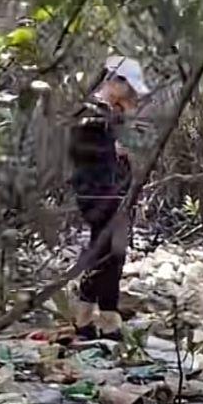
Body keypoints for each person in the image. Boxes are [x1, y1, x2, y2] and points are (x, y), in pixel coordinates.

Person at [69, 55, 149, 340]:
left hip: (113, 192)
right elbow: (86, 155)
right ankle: (104, 318)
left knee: (107, 250)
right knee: (108, 250)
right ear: (114, 81)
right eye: (128, 89)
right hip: (97, 192)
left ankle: (91, 316)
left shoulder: (108, 114)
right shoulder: (91, 113)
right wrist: (115, 147)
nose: (131, 96)